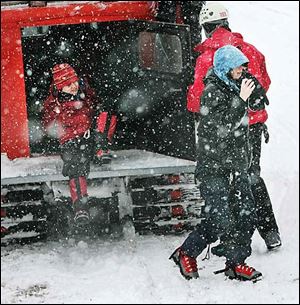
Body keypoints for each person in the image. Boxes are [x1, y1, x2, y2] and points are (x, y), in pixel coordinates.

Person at [187, 2, 281, 251]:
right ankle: (270, 231)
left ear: (206, 28)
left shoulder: (208, 57)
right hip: (253, 125)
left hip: (226, 129)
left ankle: (232, 239)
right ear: (226, 23)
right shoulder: (249, 50)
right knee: (251, 176)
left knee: (229, 180)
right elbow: (265, 82)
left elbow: (197, 100)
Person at [170, 45, 263, 282]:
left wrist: (254, 91)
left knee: (245, 214)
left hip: (237, 165)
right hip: (214, 168)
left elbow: (260, 103)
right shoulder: (211, 92)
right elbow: (221, 129)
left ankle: (236, 262)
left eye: (243, 66)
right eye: (237, 67)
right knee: (220, 216)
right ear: (224, 69)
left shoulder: (237, 86)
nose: (241, 70)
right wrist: (241, 100)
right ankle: (186, 252)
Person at [42, 63, 117, 225]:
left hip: (90, 137)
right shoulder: (55, 104)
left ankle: (101, 150)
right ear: (59, 87)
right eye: (68, 85)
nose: (73, 87)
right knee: (75, 167)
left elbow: (98, 107)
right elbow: (49, 125)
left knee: (106, 113)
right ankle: (80, 206)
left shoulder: (85, 94)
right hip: (71, 141)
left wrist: (90, 102)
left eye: (75, 82)